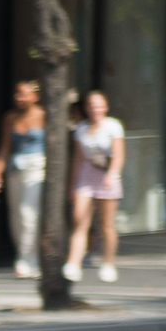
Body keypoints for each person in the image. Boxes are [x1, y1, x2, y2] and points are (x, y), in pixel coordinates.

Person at [0, 78, 46, 279]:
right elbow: (4, 148)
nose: (18, 98)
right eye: (17, 93)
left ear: (34, 96)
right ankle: (26, 256)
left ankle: (28, 260)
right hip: (15, 169)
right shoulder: (10, 118)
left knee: (29, 213)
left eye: (23, 93)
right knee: (16, 217)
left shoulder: (43, 116)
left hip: (37, 167)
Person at [65, 89, 125, 284]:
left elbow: (119, 154)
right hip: (86, 177)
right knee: (79, 220)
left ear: (105, 107)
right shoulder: (80, 129)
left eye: (99, 105)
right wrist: (73, 184)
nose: (95, 109)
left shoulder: (113, 126)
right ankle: (74, 263)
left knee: (106, 225)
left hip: (106, 177)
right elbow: (77, 159)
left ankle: (108, 263)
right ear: (86, 108)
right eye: (91, 105)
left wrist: (112, 174)